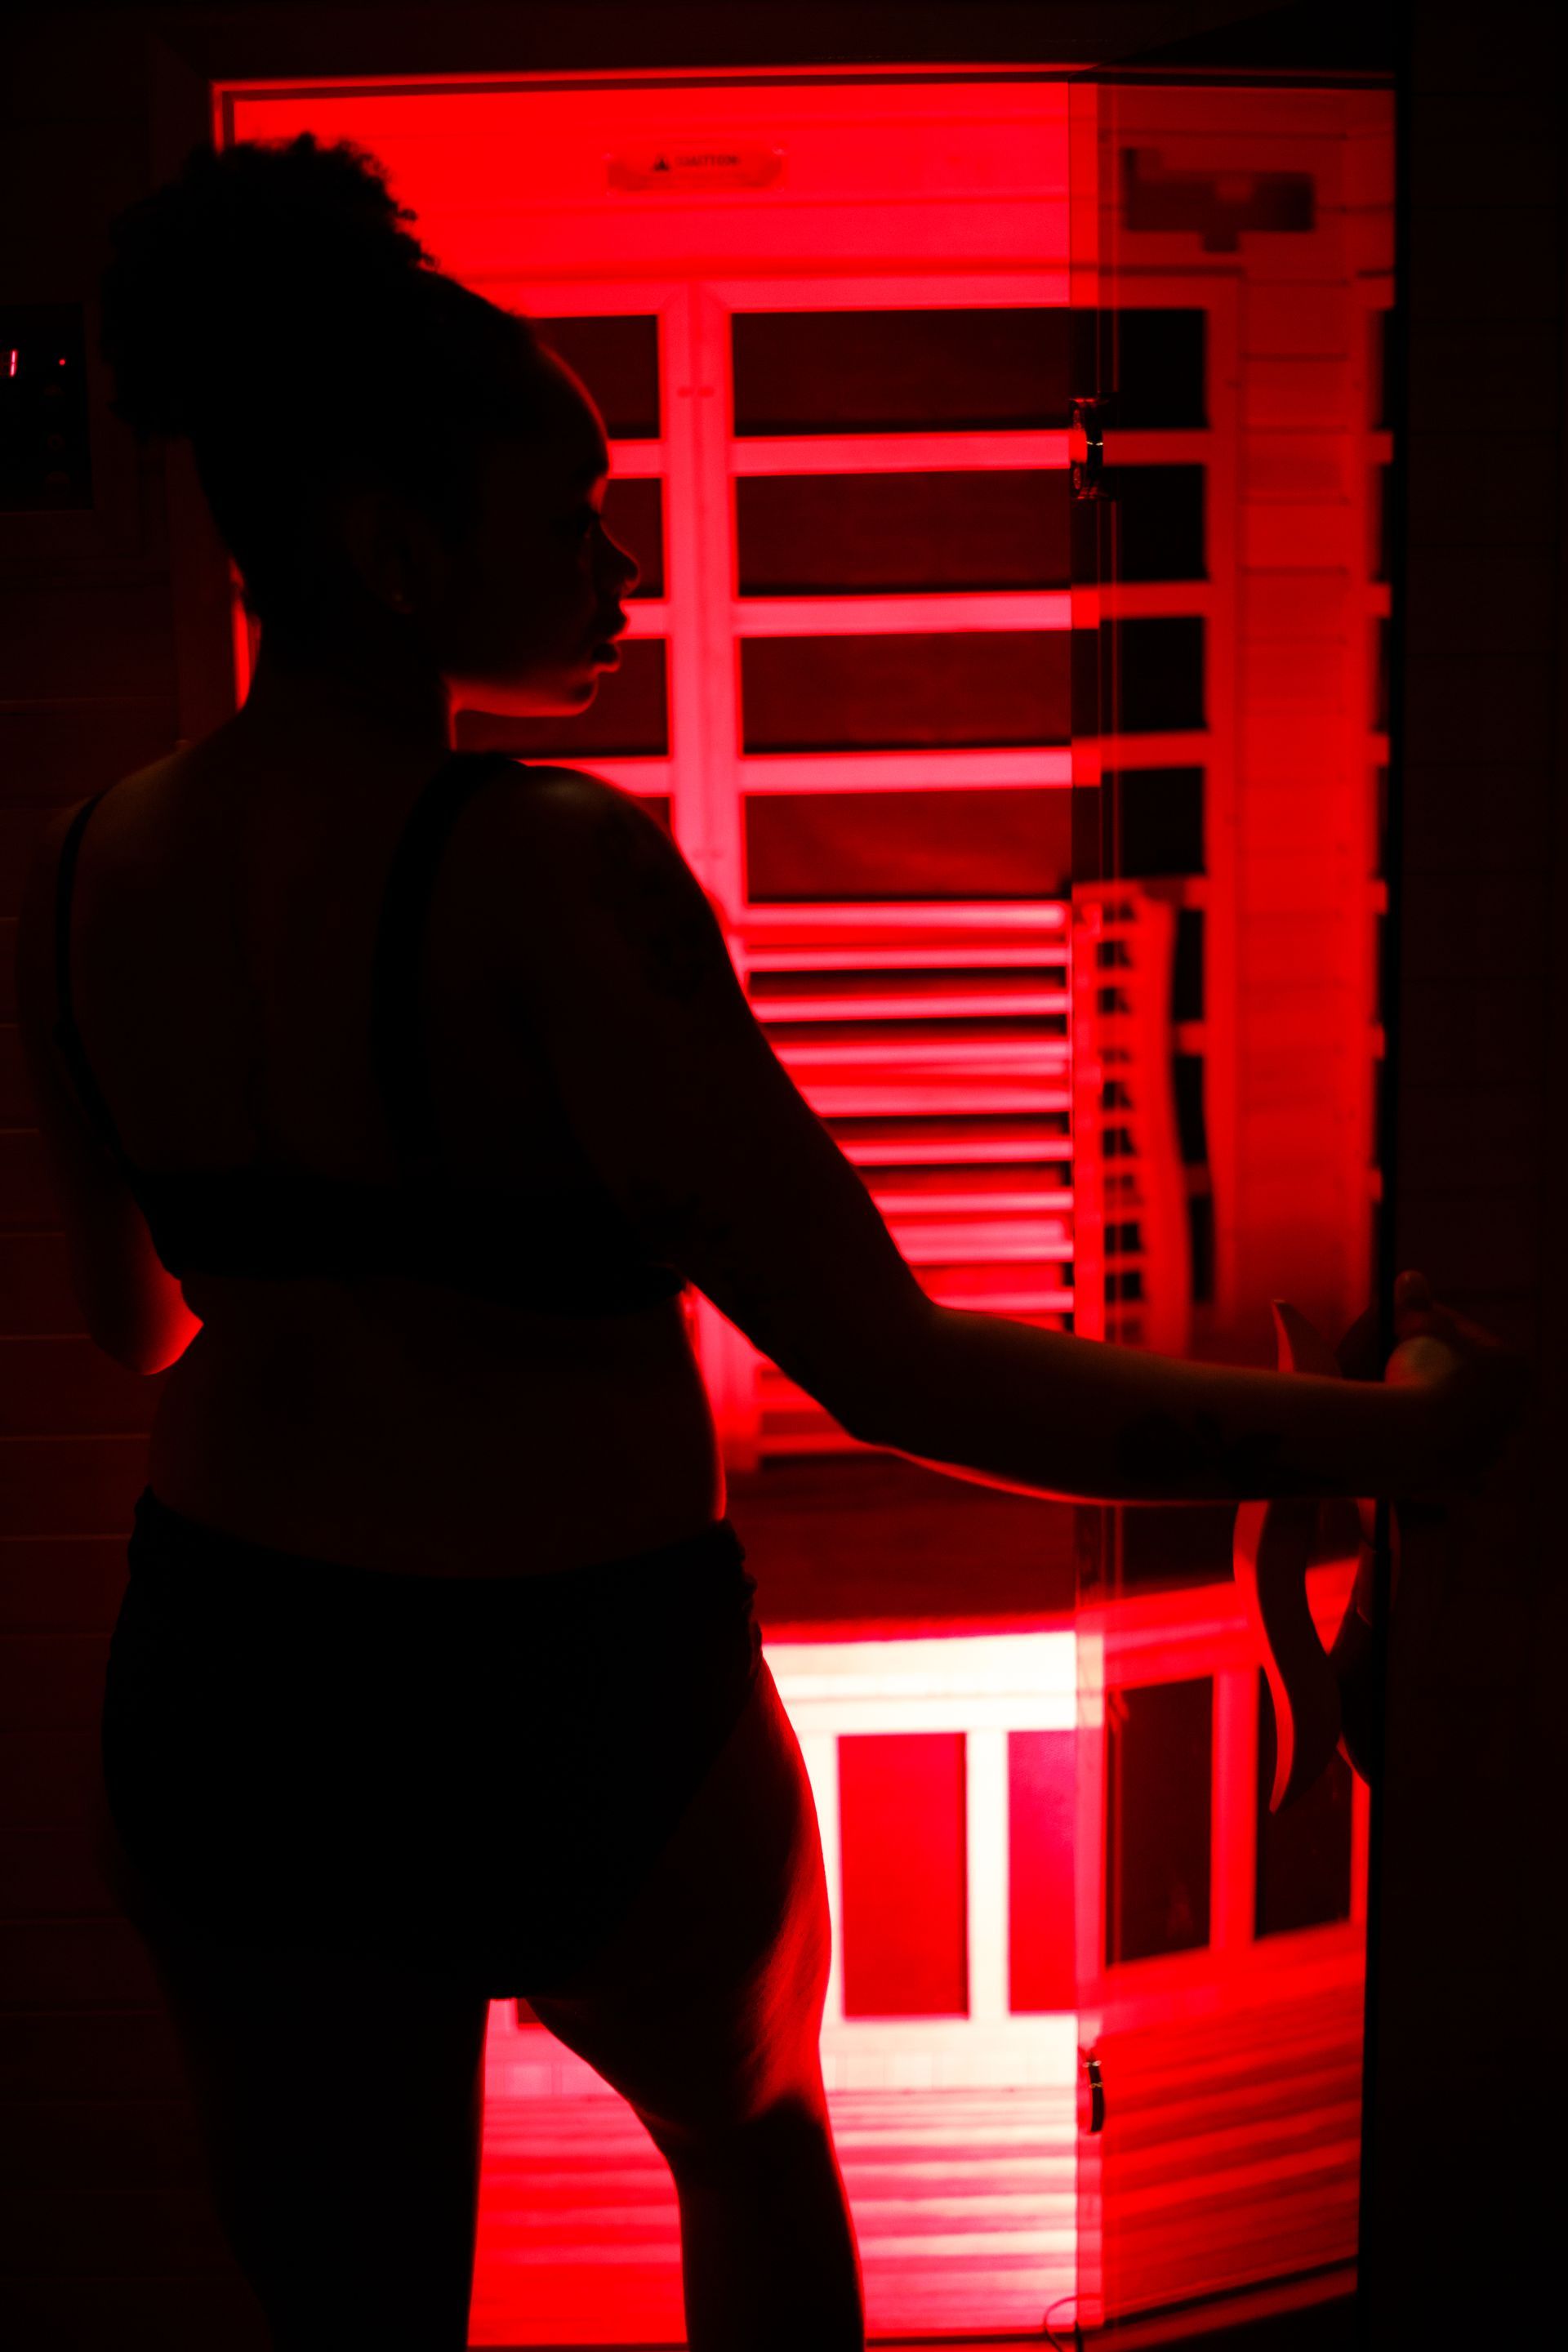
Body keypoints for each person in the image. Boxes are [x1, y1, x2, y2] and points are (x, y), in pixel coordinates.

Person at [11, 135, 1529, 2352]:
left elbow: (132, 1318)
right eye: (571, 521)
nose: (619, 567)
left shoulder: (73, 868)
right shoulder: (551, 868)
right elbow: (893, 1366)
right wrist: (1399, 1436)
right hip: (568, 1679)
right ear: (391, 549)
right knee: (754, 2165)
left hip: (232, 1690)